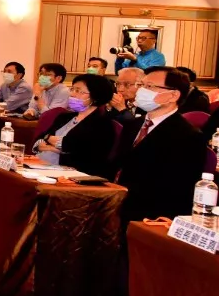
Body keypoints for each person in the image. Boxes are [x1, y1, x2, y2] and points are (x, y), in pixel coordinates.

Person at [113, 66, 205, 222]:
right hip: (117, 201)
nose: (141, 91)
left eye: (149, 86)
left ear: (173, 95)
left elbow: (177, 188)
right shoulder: (134, 125)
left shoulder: (188, 135)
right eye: (141, 85)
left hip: (150, 214)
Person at [32, 74, 118, 179]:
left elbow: (79, 152)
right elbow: (41, 138)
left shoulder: (102, 124)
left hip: (74, 175)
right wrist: (53, 143)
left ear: (95, 96)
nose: (72, 94)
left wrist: (52, 143)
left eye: (78, 91)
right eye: (72, 89)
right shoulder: (64, 117)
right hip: (42, 167)